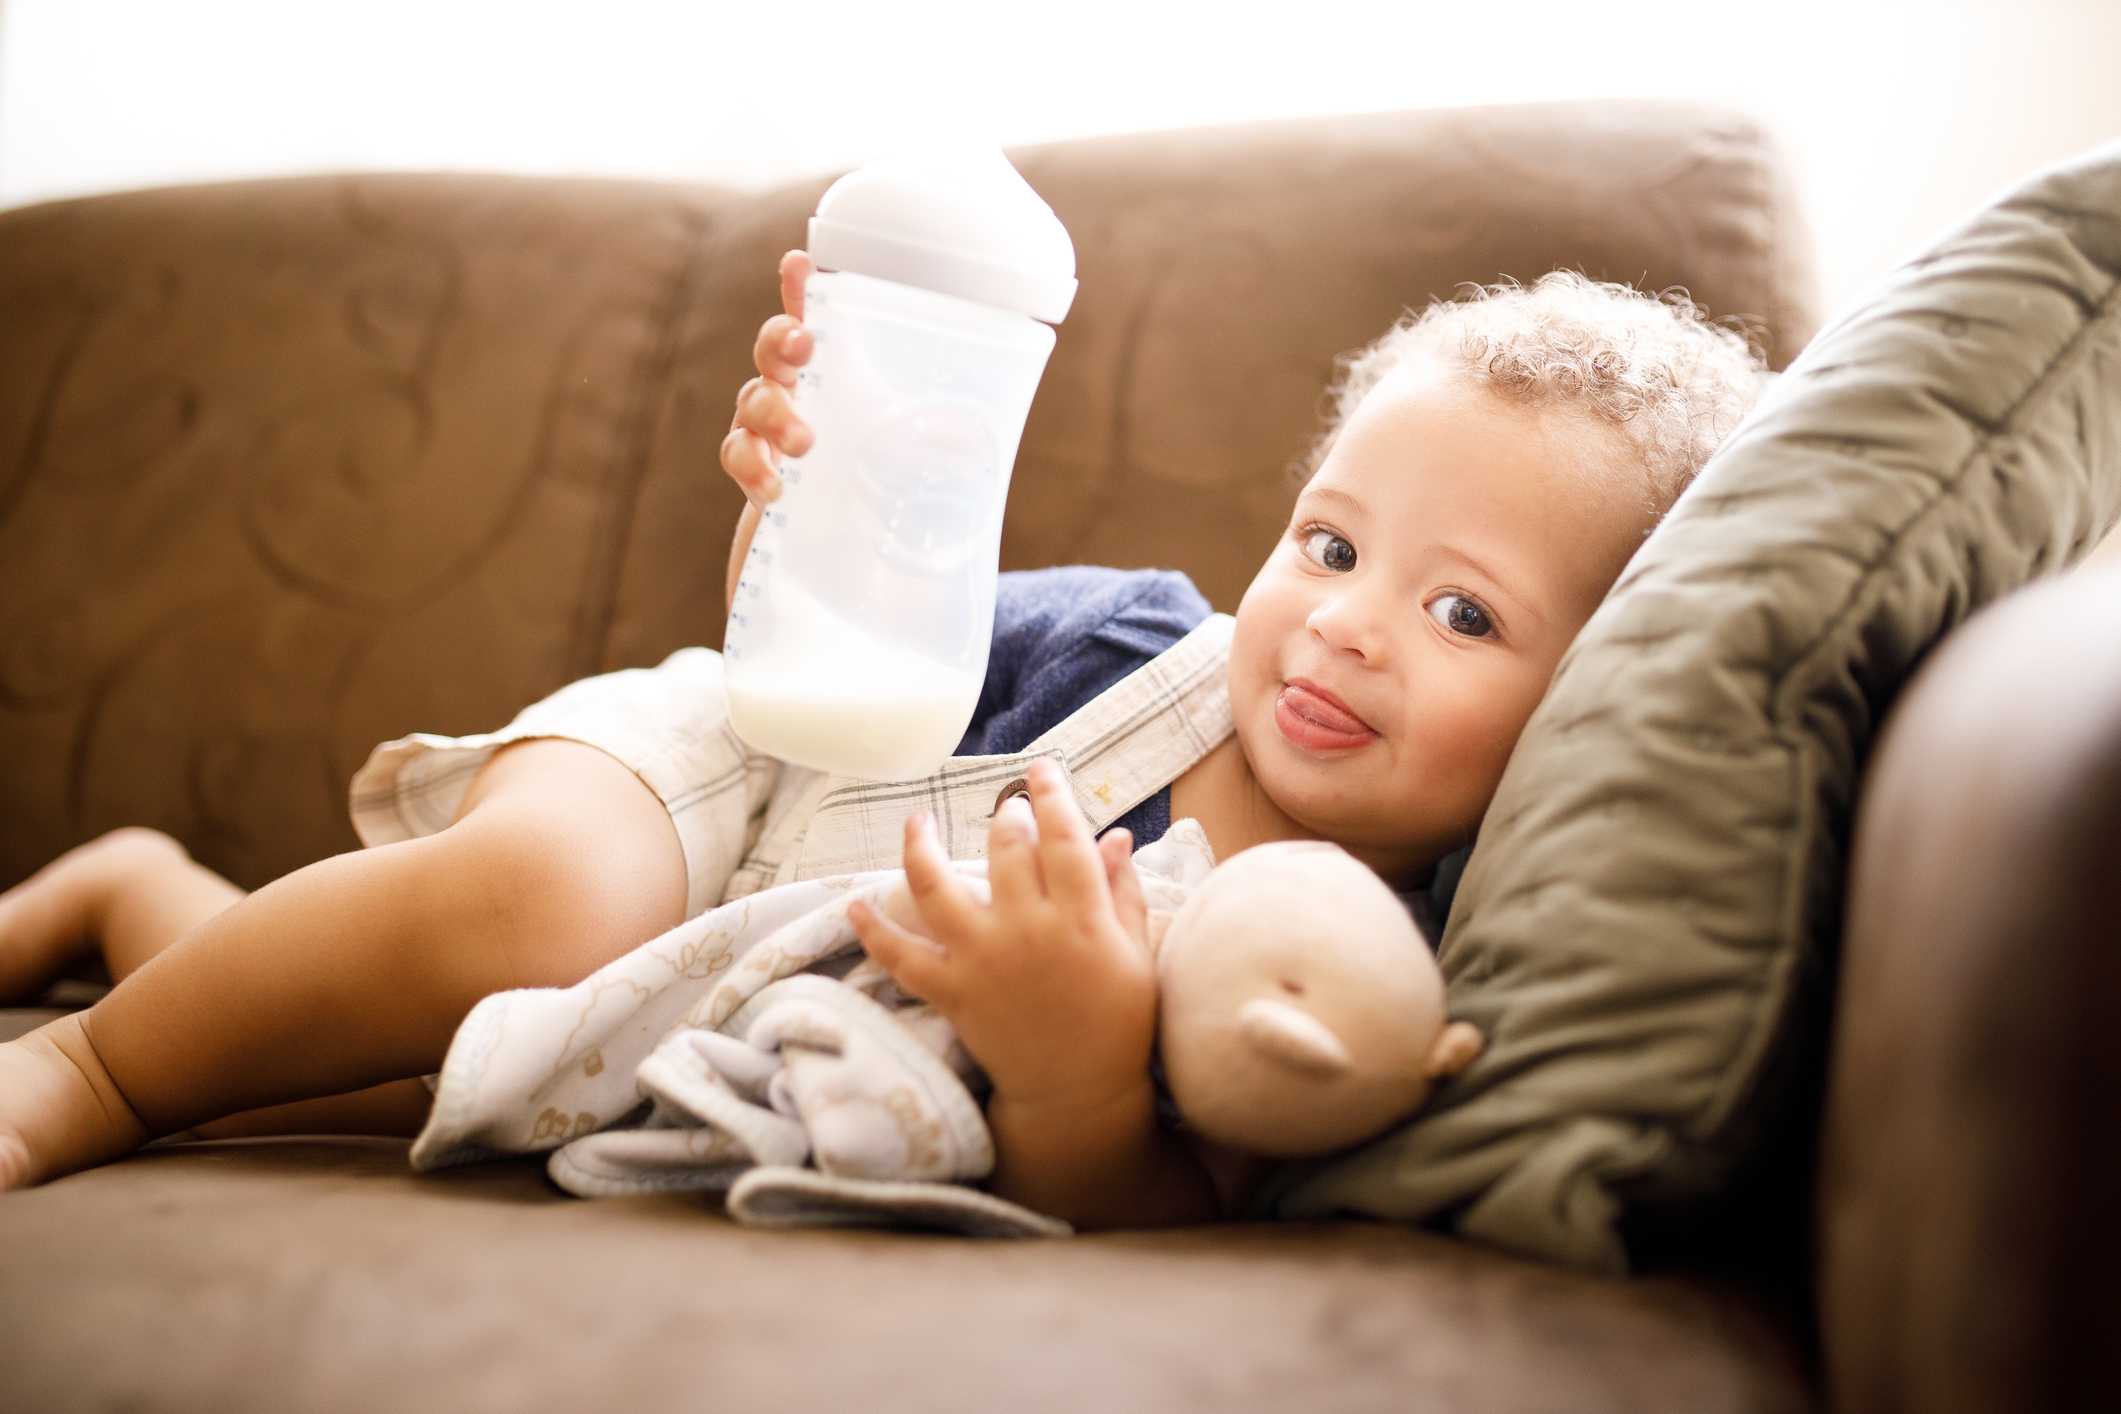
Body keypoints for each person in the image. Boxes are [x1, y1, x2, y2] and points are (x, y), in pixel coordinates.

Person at [0, 252, 1764, 1228]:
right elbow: (805, 665)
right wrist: (811, 505)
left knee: (407, 1071)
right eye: (1329, 542)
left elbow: (1159, 1203)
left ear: (1587, 701)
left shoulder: (1364, 978)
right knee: (541, 904)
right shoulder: (1138, 641)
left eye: (1462, 614)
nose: (1349, 618)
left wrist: (1078, 1069)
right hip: (713, 798)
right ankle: (90, 1072)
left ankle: (139, 891)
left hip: (709, 1022)